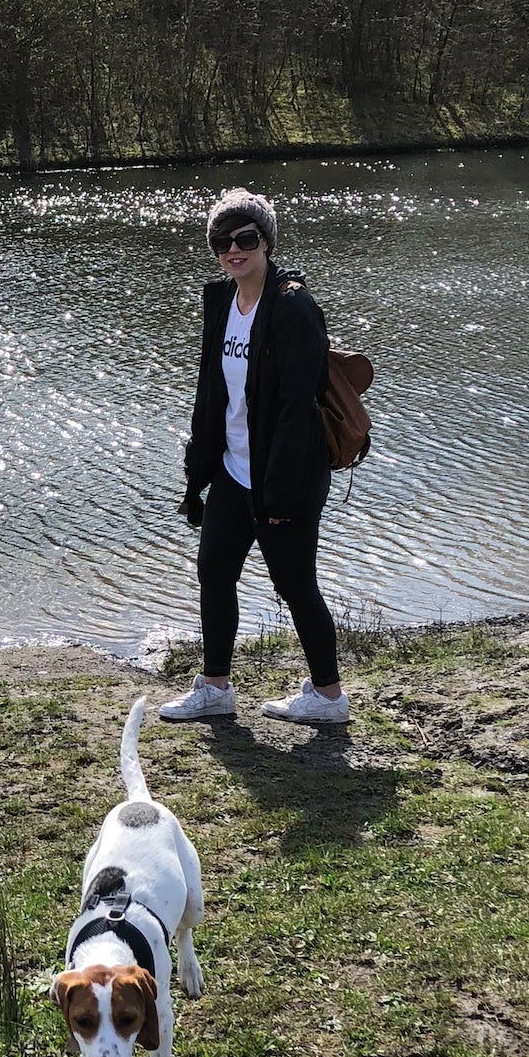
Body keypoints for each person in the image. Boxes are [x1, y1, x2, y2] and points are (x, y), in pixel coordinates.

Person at [160, 186, 349, 727]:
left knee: (294, 585)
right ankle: (215, 687)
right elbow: (210, 392)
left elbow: (296, 409)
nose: (233, 250)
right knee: (214, 571)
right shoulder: (223, 301)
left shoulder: (293, 307)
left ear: (265, 241)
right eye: (222, 241)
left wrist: (280, 494)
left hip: (284, 477)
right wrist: (201, 472)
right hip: (232, 472)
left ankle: (329, 698)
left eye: (245, 238)